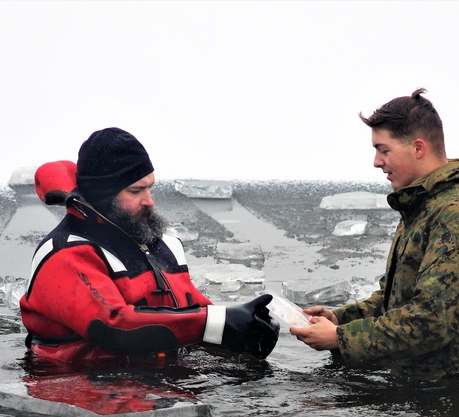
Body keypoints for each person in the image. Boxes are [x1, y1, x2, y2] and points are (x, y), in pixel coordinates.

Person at [291, 89, 459, 379]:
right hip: (426, 384)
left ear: (418, 148)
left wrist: (341, 338)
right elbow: (395, 300)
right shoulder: (423, 205)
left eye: (384, 150)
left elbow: (432, 320)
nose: (376, 162)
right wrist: (340, 320)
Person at [20, 127, 279, 366]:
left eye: (150, 188)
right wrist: (217, 323)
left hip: (154, 380)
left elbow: (191, 311)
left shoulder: (156, 243)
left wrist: (243, 328)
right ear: (102, 196)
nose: (149, 201)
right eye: (136, 191)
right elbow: (114, 327)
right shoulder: (66, 255)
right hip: (81, 392)